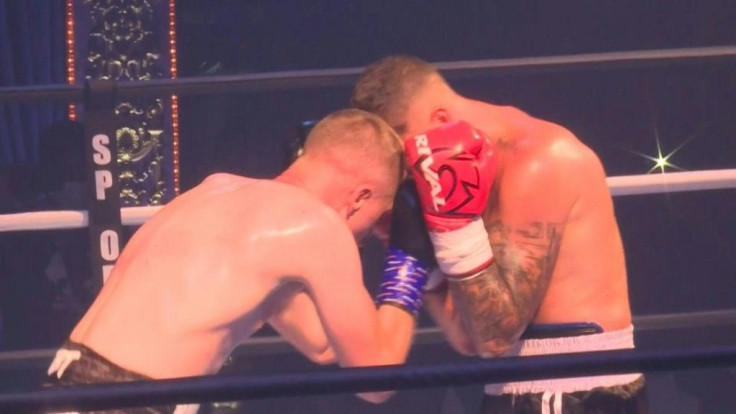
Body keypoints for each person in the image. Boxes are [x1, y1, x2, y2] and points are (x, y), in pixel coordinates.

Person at [45, 108, 427, 413]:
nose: (364, 239)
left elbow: (325, 346)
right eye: (376, 220)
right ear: (359, 197)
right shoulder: (320, 225)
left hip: (63, 382)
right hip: (131, 402)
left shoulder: (215, 189)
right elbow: (377, 381)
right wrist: (409, 258)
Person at [351, 55, 647, 413]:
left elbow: (494, 337)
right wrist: (417, 258)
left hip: (573, 393)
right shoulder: (464, 177)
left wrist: (454, 228)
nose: (410, 170)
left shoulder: (539, 161)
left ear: (441, 121)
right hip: (515, 385)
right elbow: (470, 337)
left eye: (407, 151)